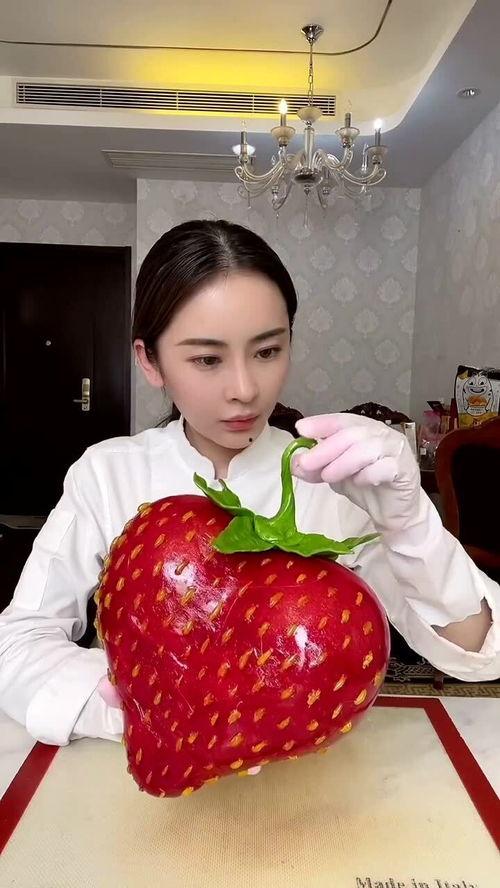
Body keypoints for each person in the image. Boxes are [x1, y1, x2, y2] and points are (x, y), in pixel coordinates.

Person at [0, 219, 498, 748]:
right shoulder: (108, 474)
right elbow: (19, 643)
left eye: (266, 352)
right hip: (151, 763)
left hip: (307, 760)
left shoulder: (335, 480)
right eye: (207, 359)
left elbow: (478, 651)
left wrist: (410, 523)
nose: (244, 389)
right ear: (150, 360)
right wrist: (141, 710)